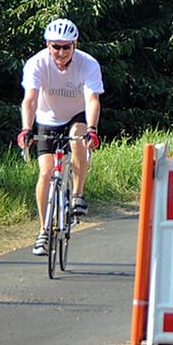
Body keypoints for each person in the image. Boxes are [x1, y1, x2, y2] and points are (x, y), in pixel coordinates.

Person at [16, 18, 104, 256]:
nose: (61, 52)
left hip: (75, 115)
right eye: (56, 46)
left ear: (75, 45)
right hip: (47, 119)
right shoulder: (36, 63)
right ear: (47, 44)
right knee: (45, 173)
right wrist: (26, 128)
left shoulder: (88, 64)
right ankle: (44, 230)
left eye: (66, 47)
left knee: (78, 137)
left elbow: (92, 100)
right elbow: (30, 99)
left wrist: (92, 129)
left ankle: (77, 194)